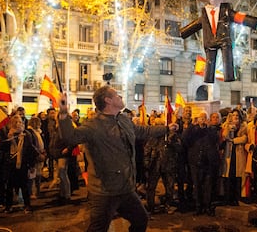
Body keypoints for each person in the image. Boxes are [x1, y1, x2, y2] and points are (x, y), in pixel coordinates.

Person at [57, 86, 175, 232]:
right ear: (108, 100)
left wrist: (167, 128)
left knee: (141, 220)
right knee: (98, 229)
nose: (120, 97)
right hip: (105, 192)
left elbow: (142, 131)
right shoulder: (93, 125)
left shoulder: (123, 119)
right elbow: (70, 137)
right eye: (117, 95)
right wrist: (63, 113)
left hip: (126, 188)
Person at [183, 111, 219, 216]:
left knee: (208, 185)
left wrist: (208, 127)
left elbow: (215, 139)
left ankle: (207, 206)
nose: (202, 119)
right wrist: (192, 125)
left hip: (208, 162)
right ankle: (198, 207)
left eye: (204, 117)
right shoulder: (193, 130)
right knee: (197, 185)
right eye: (201, 118)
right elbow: (184, 138)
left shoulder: (211, 129)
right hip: (195, 162)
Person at [4, 115, 37, 213]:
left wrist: (31, 165)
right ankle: (8, 206)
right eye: (16, 122)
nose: (19, 124)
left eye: (20, 122)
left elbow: (30, 150)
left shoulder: (26, 134)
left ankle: (27, 205)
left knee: (24, 186)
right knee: (10, 186)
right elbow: (3, 149)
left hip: (23, 164)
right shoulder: (9, 135)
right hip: (11, 164)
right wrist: (9, 139)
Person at [220, 109, 248, 206]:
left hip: (239, 153)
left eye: (237, 115)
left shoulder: (244, 127)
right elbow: (224, 136)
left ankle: (236, 198)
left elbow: (245, 138)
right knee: (228, 175)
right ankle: (227, 198)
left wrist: (233, 140)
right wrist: (228, 125)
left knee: (238, 176)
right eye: (234, 115)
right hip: (229, 153)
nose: (235, 117)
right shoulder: (226, 126)